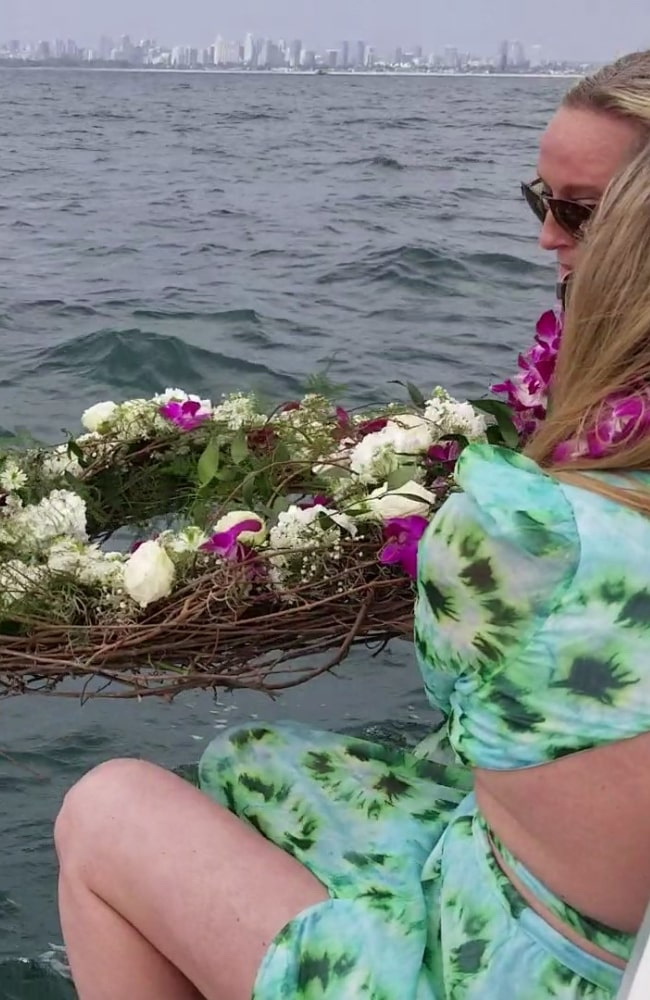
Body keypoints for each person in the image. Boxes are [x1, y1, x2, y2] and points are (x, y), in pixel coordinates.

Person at [54, 55, 650, 1000]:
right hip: (606, 911)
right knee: (248, 760)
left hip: (525, 957)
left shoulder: (535, 527)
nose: (544, 237)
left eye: (576, 212)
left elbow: (467, 672)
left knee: (102, 807)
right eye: (539, 195)